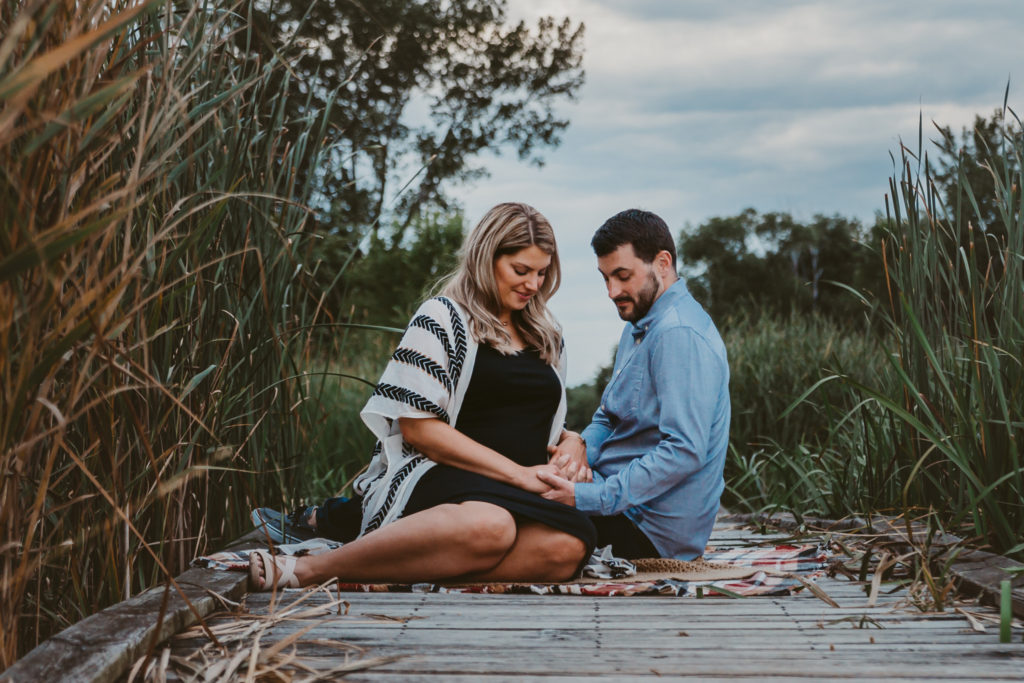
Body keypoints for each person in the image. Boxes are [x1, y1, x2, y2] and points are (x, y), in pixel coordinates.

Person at [248, 202, 597, 590]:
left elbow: (537, 418)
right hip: (446, 478)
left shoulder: (547, 335)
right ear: (486, 259)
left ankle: (404, 574)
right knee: (490, 525)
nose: (533, 284)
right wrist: (519, 475)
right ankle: (311, 570)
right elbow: (418, 429)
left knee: (567, 547)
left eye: (542, 273)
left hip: (520, 488)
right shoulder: (442, 318)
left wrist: (572, 440)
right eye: (521, 270)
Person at [536, 209, 731, 561]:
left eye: (623, 276)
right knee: (517, 477)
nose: (612, 291)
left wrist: (586, 497)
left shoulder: (678, 334)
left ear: (662, 263)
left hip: (648, 530)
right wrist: (576, 454)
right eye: (606, 278)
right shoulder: (639, 325)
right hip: (613, 499)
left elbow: (684, 451)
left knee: (510, 519)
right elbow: (608, 417)